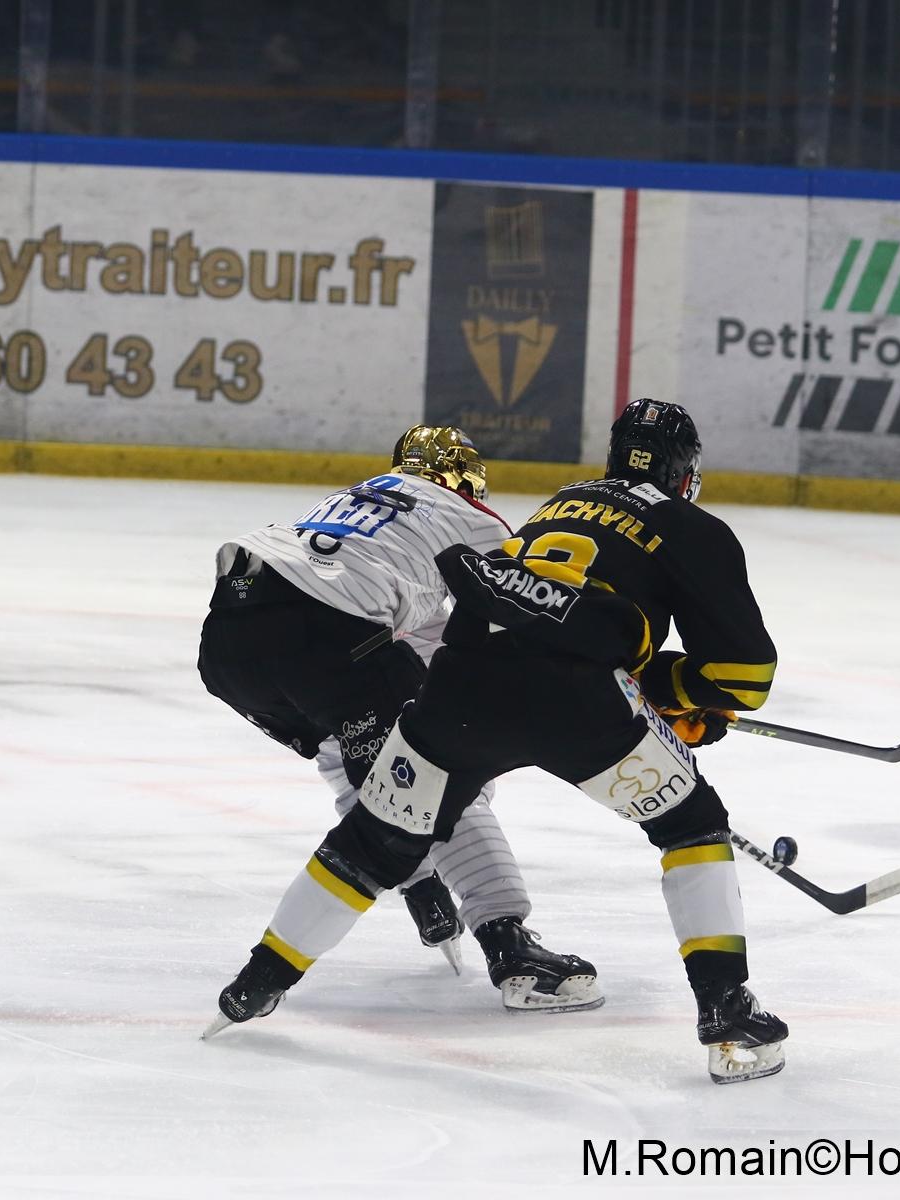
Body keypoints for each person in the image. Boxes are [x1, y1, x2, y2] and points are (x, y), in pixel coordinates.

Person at [205, 399, 788, 1085]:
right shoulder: (692, 527)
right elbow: (744, 677)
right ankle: (726, 1013)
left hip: (460, 684)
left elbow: (518, 612)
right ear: (685, 471)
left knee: (372, 841)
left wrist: (649, 687)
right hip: (578, 699)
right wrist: (682, 695)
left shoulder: (558, 505)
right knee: (691, 824)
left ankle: (257, 982)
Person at [196, 425, 603, 1012]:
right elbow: (527, 630)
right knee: (438, 770)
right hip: (327, 632)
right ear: (466, 479)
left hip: (230, 644)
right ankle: (509, 945)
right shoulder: (476, 521)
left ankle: (421, 887)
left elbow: (426, 651)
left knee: (354, 746)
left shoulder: (360, 500)